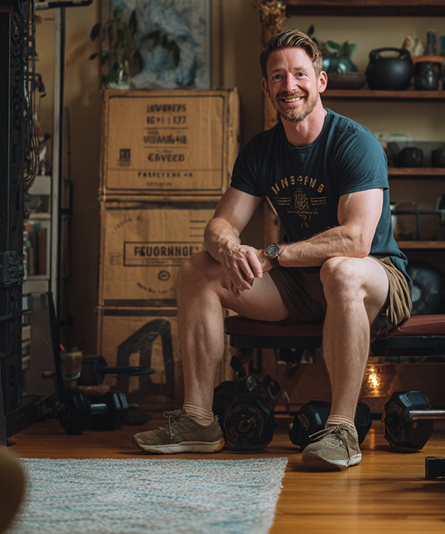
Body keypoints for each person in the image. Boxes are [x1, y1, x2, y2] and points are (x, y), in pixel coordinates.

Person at [133, 29, 412, 470]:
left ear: (320, 81)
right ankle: (199, 421)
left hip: (373, 277)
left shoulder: (355, 143)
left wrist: (270, 254)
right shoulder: (261, 151)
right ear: (266, 87)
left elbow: (356, 239)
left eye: (300, 74)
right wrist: (229, 250)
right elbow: (221, 225)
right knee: (196, 271)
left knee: (340, 269)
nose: (289, 86)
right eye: (278, 77)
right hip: (302, 284)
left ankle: (342, 430)